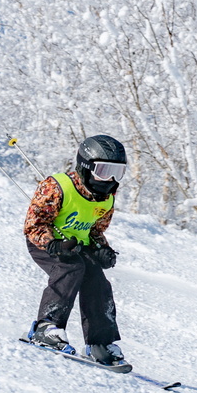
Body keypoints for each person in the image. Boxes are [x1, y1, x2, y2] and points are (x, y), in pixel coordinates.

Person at [24, 134, 129, 365]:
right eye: (103, 171)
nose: (110, 179)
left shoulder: (106, 199)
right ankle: (47, 327)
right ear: (85, 166)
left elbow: (95, 231)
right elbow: (34, 225)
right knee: (70, 268)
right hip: (46, 243)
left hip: (78, 246)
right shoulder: (57, 187)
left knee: (97, 281)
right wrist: (53, 244)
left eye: (117, 172)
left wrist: (102, 250)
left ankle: (99, 343)